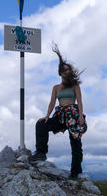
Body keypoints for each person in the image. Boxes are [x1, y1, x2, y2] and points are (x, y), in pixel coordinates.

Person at [30, 43, 87, 179]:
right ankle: (41, 153)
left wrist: (80, 116)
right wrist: (47, 116)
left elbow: (79, 101)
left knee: (75, 142)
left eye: (68, 69)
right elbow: (51, 103)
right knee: (41, 125)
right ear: (60, 73)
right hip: (60, 115)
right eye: (65, 70)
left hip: (73, 115)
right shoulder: (56, 87)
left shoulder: (75, 85)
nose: (67, 72)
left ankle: (75, 172)